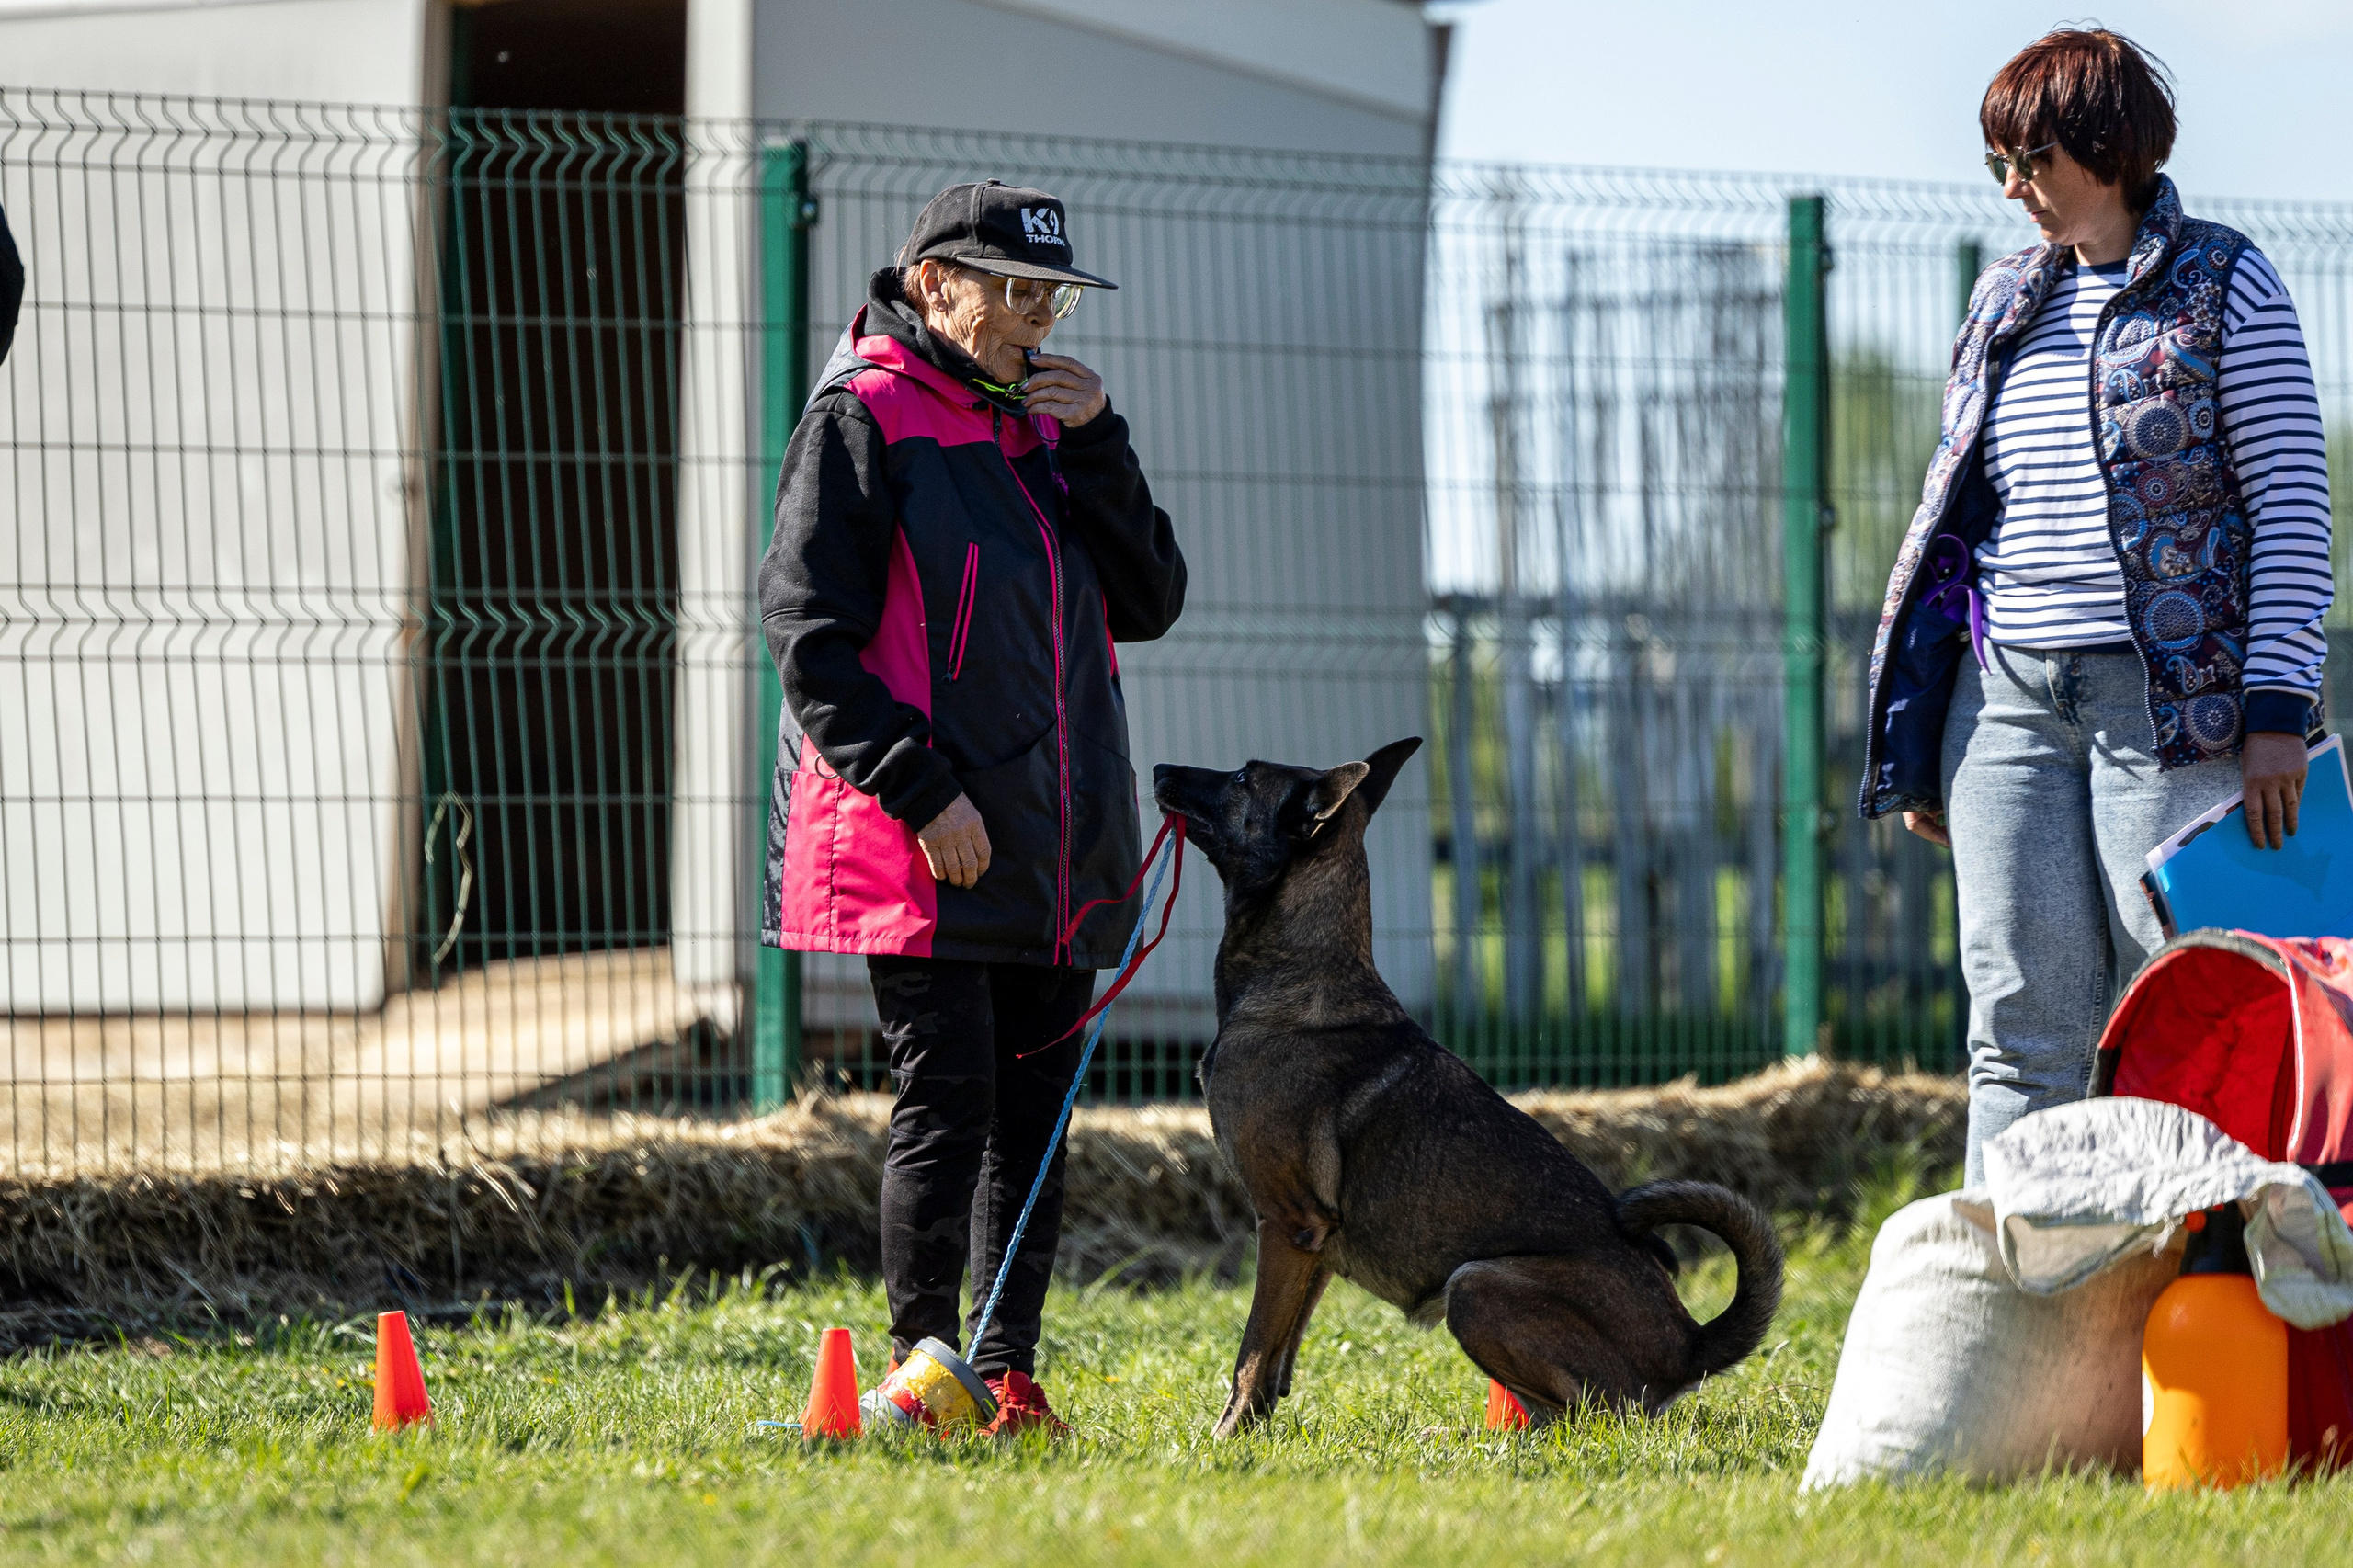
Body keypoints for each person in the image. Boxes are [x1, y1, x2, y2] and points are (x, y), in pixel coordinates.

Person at [1859, 28, 2331, 1183]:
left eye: (2035, 162)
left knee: (2188, 1014)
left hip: (2172, 712)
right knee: (2015, 1023)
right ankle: (2010, 1320)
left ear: (2111, 148)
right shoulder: (2001, 300)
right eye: (1999, 169)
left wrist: (2277, 705)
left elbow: (2291, 502)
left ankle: (2197, 1310)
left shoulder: (2228, 282)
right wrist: (1929, 742)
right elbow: (1958, 518)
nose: (2016, 191)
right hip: (2004, 702)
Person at [758, 180, 1186, 1433]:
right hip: (929, 842)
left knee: (1036, 1118)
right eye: (1012, 291)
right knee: (948, 1102)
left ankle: (1004, 1374)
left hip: (1055, 848)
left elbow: (1150, 599)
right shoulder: (866, 415)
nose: (1037, 319)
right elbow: (809, 634)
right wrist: (923, 789)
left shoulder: (1055, 428)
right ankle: (919, 1368)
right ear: (936, 284)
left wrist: (1103, 438)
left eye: (1051, 294)